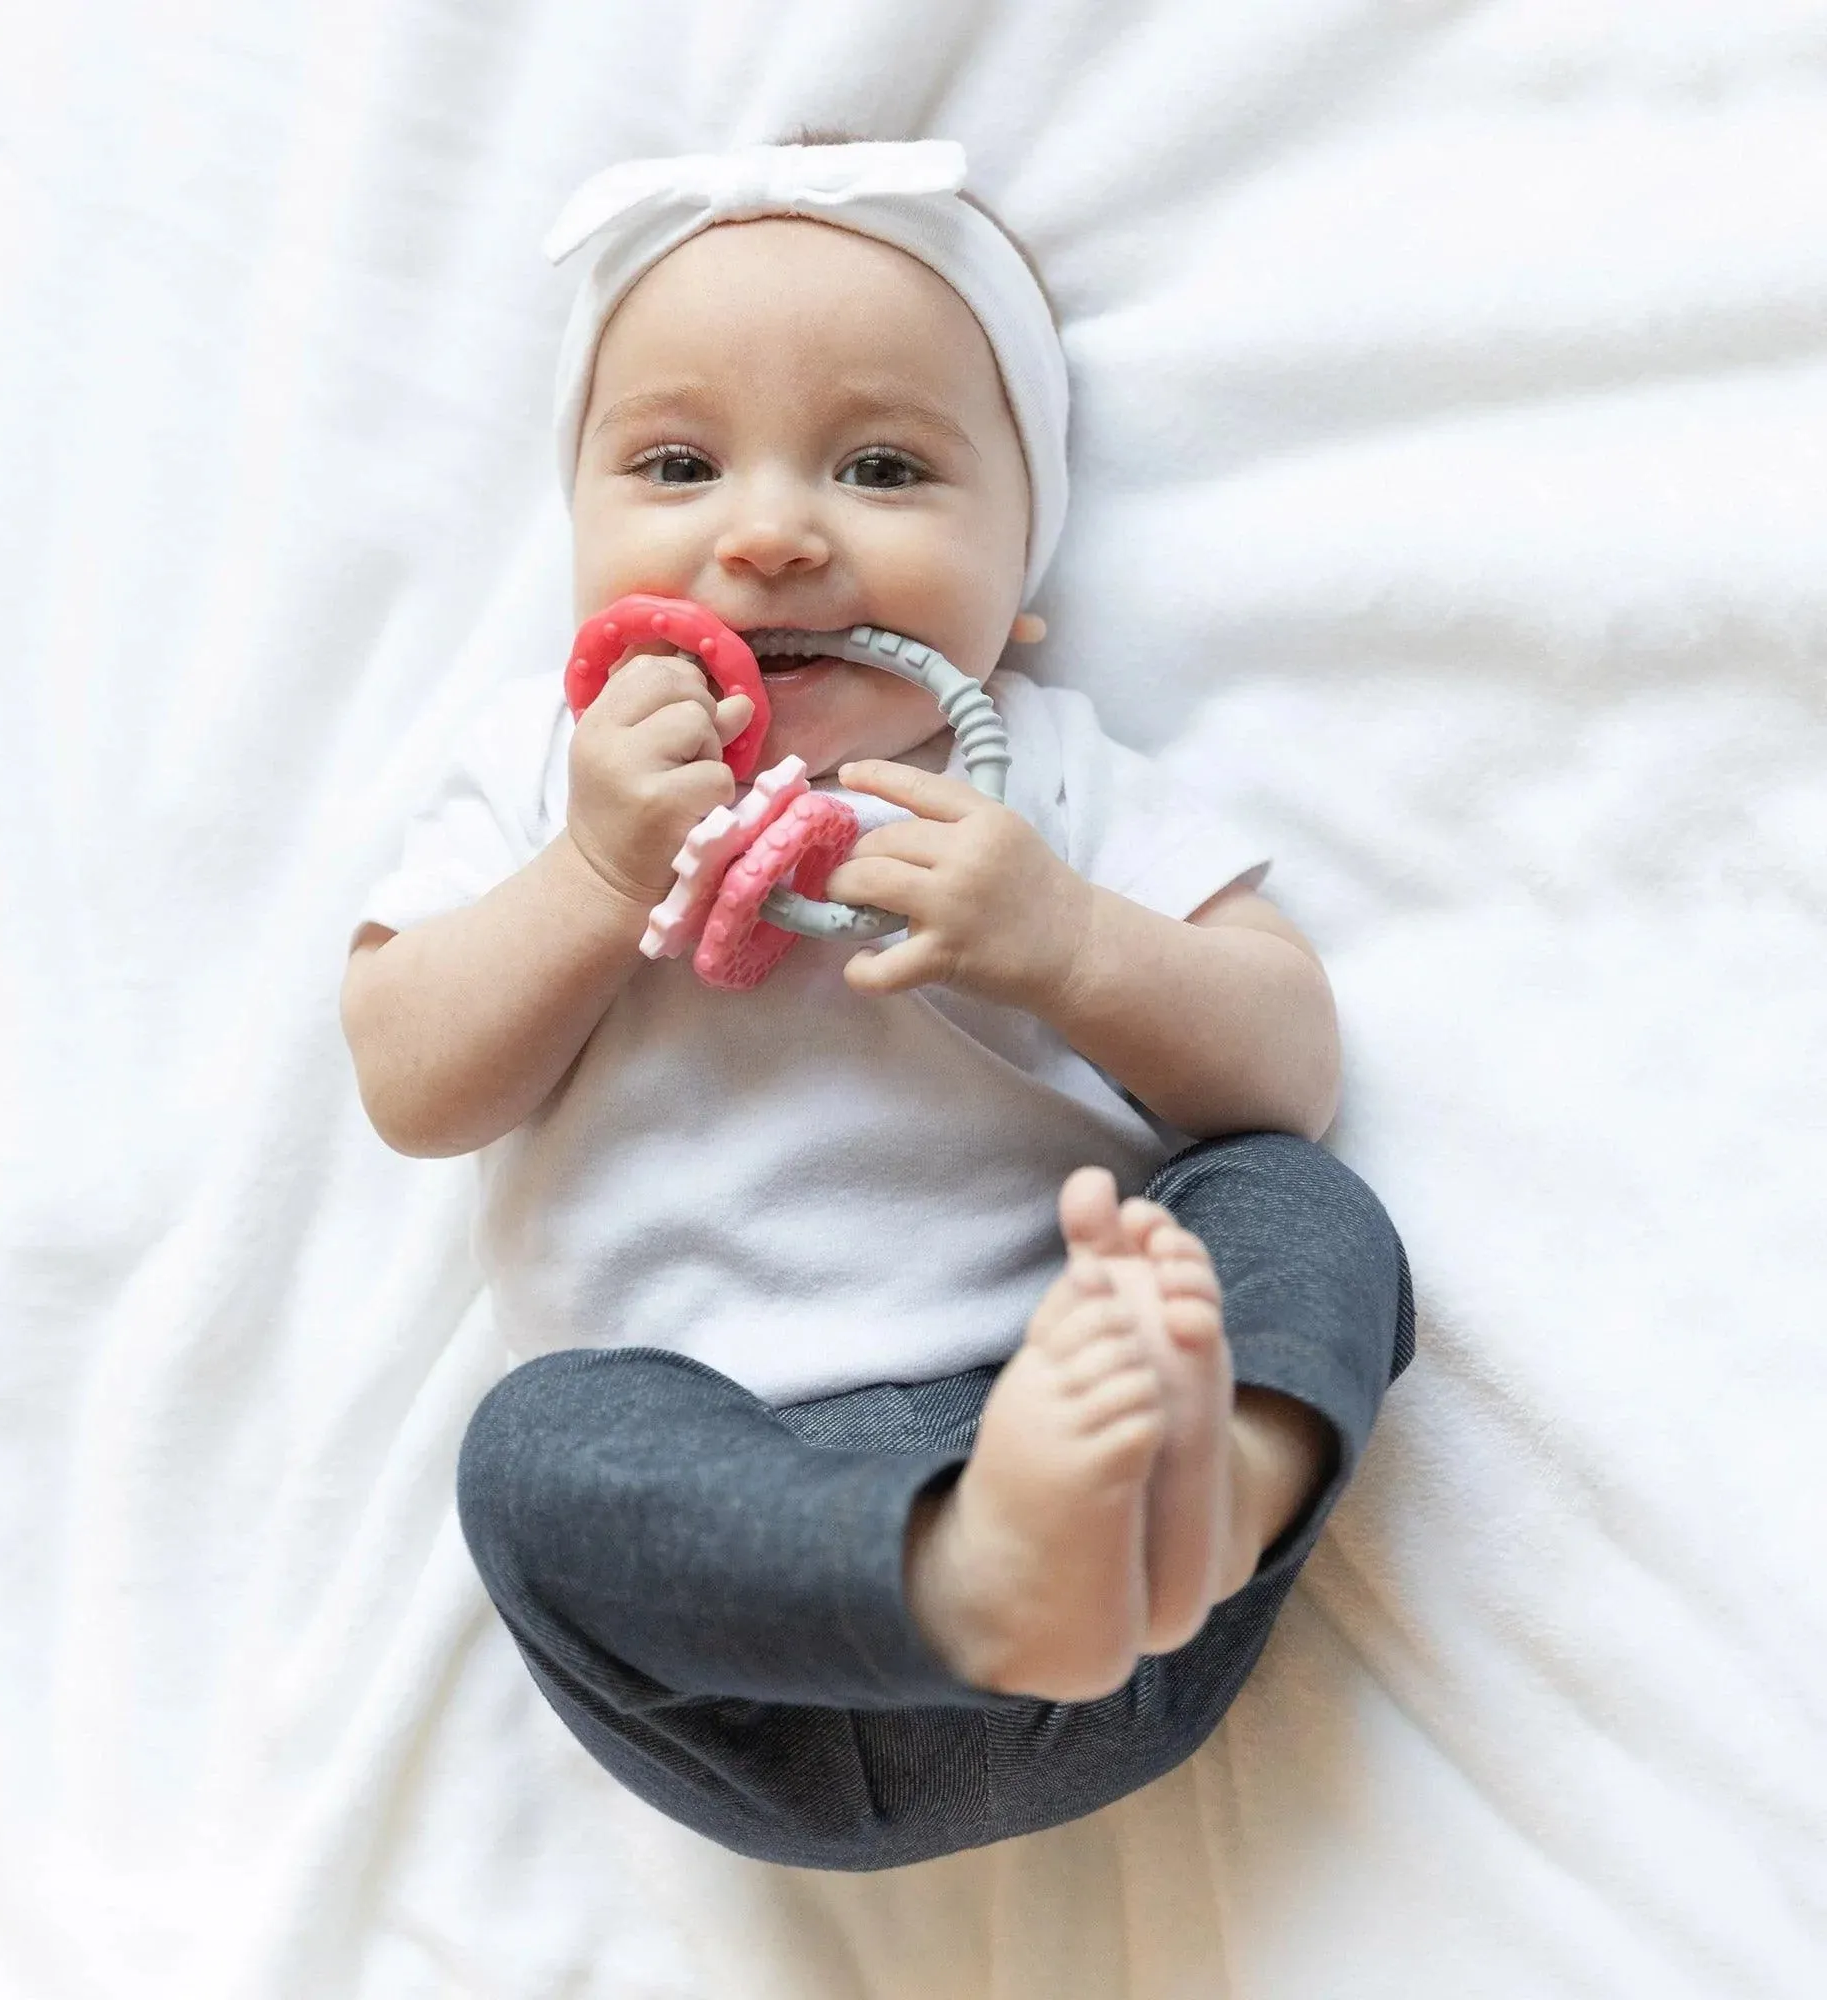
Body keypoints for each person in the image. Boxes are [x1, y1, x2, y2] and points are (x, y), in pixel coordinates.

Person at [340, 139, 1413, 1871]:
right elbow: (407, 1079)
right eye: (680, 464)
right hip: (744, 1610)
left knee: (1300, 1207)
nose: (770, 533)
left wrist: (1064, 939)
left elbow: (1288, 1067)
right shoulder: (549, 781)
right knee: (537, 1446)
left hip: (1088, 1484)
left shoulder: (1050, 779)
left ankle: (1222, 1493)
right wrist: (598, 878)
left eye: (886, 465)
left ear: (1022, 578)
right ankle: (962, 1570)